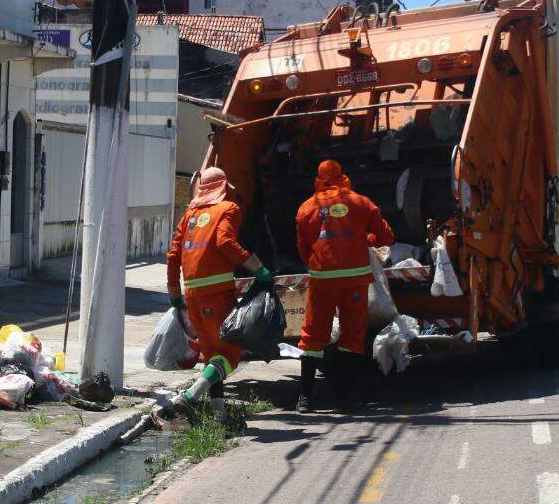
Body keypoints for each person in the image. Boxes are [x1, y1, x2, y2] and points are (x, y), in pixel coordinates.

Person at [163, 167, 270, 419]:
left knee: (212, 354)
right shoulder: (228, 209)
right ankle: (189, 397)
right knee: (231, 353)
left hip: (192, 296)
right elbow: (225, 243)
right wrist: (258, 268)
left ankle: (220, 416)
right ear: (223, 186)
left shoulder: (189, 215)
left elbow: (172, 256)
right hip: (217, 295)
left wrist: (174, 295)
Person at [294, 159, 394, 412]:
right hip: (355, 281)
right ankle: (345, 401)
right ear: (342, 176)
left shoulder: (306, 208)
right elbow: (386, 237)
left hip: (322, 281)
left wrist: (319, 266)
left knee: (313, 336)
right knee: (352, 337)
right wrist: (365, 239)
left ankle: (305, 399)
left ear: (319, 178)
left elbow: (303, 248)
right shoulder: (361, 203)